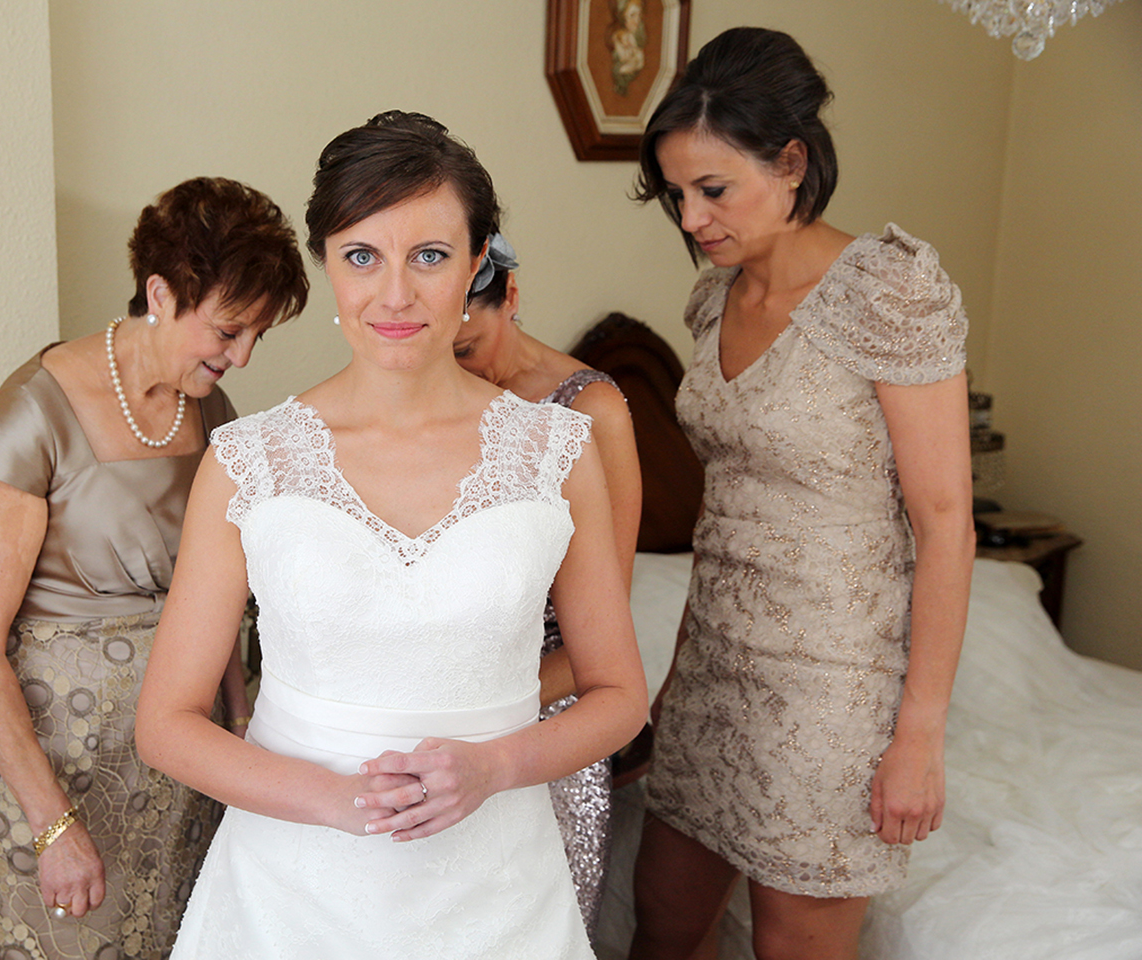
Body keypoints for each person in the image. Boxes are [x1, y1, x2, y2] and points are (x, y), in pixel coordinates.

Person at [135, 111, 648, 959]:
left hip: (498, 890)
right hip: (293, 893)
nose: (396, 294)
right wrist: (338, 804)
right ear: (327, 262)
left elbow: (618, 694)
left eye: (432, 256)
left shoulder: (558, 454)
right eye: (363, 256)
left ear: (479, 262)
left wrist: (496, 769)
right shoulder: (248, 461)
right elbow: (167, 722)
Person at [626, 28, 974, 960]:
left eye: (713, 190)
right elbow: (721, 511)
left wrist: (919, 739)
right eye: (676, 196)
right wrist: (671, 685)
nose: (693, 219)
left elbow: (945, 525)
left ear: (791, 163)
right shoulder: (712, 299)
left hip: (831, 689)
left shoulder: (889, 291)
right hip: (711, 673)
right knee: (658, 922)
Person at [0, 177, 308, 960]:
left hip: (179, 772)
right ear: (159, 292)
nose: (240, 357)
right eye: (229, 329)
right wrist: (53, 824)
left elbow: (225, 596)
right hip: (59, 777)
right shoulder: (32, 417)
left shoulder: (208, 411)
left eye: (257, 338)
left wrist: (240, 732)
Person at [452, 233, 642, 938]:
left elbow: (608, 618)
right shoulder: (438, 404)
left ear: (513, 300)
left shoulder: (591, 411)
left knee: (536, 925)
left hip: (553, 703)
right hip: (453, 700)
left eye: (468, 352)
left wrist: (497, 701)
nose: (458, 373)